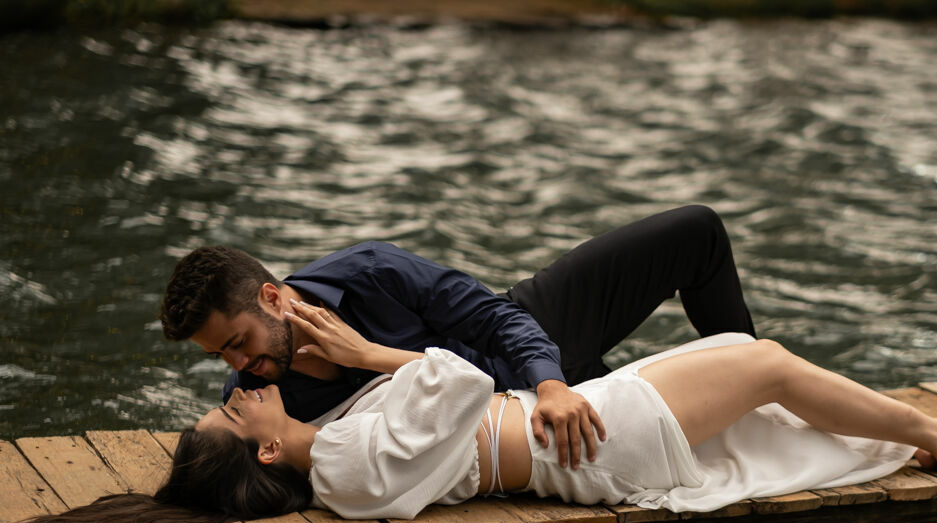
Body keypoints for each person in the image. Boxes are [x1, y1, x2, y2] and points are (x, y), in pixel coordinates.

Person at [27, 301, 937, 523]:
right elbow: (461, 381)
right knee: (760, 363)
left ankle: (924, 427)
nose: (246, 390)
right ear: (268, 447)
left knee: (756, 394)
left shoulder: (333, 459)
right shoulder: (343, 466)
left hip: (571, 436)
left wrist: (364, 365)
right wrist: (376, 356)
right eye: (238, 407)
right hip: (586, 441)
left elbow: (444, 401)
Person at [160, 205, 757, 471]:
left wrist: (550, 382)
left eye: (238, 341)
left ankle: (760, 389)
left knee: (696, 231)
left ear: (272, 297)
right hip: (511, 432)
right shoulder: (259, 399)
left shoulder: (371, 271)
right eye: (220, 355)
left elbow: (498, 322)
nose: (239, 366)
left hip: (531, 347)